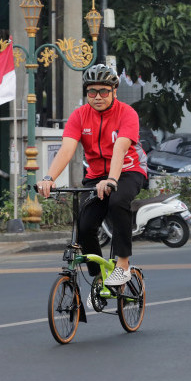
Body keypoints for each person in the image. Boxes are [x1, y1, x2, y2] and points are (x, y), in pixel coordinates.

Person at [38, 64, 147, 286]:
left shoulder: (127, 114)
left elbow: (120, 148)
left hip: (128, 171)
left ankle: (123, 265)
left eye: (104, 91)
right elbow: (67, 150)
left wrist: (112, 180)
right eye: (92, 92)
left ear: (114, 91)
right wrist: (49, 178)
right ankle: (98, 277)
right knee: (85, 225)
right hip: (96, 175)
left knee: (117, 202)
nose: (98, 97)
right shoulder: (79, 116)